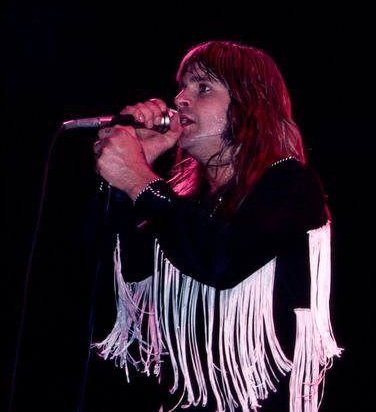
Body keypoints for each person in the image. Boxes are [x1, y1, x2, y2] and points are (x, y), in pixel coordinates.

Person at [91, 40, 341, 411]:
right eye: (182, 86)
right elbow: (135, 274)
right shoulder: (185, 203)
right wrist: (132, 175)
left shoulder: (289, 183)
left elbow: (222, 261)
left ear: (247, 106)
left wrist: (139, 179)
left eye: (202, 87)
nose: (179, 99)